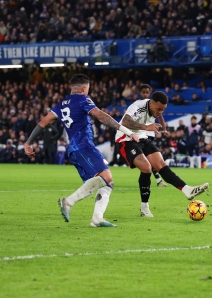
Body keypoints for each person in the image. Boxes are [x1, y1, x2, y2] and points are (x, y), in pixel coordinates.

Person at [24, 74, 140, 227]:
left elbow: (43, 122)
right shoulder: (83, 99)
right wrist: (127, 131)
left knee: (106, 183)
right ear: (84, 88)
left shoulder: (61, 105)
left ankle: (97, 219)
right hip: (83, 146)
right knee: (106, 176)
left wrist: (28, 142)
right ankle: (68, 202)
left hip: (73, 150)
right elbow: (100, 115)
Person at [115, 91, 209, 218]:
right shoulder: (138, 106)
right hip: (125, 139)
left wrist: (162, 127)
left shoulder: (155, 109)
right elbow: (125, 122)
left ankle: (187, 190)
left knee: (161, 164)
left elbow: (158, 117)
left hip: (142, 138)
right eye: (159, 109)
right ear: (151, 103)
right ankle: (144, 207)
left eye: (163, 110)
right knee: (146, 168)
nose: (160, 112)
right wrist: (145, 127)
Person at [139, 84, 167, 187]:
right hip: (140, 133)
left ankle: (157, 181)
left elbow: (160, 117)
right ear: (140, 93)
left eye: (147, 92)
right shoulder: (138, 106)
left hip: (150, 133)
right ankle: (157, 181)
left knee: (150, 159)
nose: (146, 94)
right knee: (147, 160)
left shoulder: (154, 105)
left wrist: (164, 129)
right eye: (144, 92)